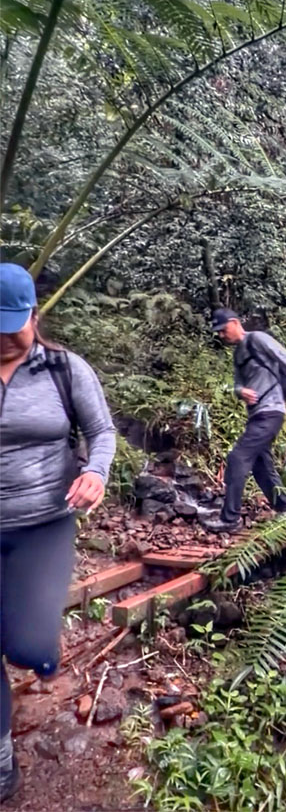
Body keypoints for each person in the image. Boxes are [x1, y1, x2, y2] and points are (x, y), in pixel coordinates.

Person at [0, 264, 116, 802]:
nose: (5, 337)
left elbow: (101, 430)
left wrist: (95, 472)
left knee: (27, 646)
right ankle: (3, 765)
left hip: (43, 523)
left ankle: (29, 641)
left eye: (13, 326)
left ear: (33, 315)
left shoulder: (64, 369)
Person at [201, 308, 286, 533]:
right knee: (260, 465)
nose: (221, 335)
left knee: (238, 458)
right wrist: (241, 392)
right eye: (218, 332)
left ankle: (230, 520)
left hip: (271, 411)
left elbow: (284, 357)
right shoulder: (238, 354)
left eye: (223, 330)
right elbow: (238, 384)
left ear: (235, 323)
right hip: (257, 414)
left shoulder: (257, 339)